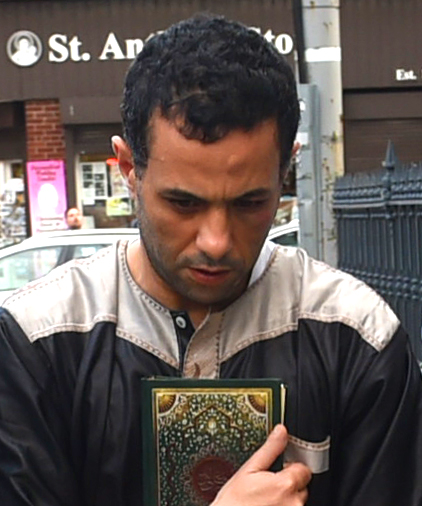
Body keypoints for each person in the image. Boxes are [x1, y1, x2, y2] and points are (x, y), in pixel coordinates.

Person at [0, 13, 421, 506]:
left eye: (249, 203)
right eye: (184, 203)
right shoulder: (34, 341)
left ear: (287, 167)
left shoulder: (358, 337)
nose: (217, 241)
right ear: (129, 169)